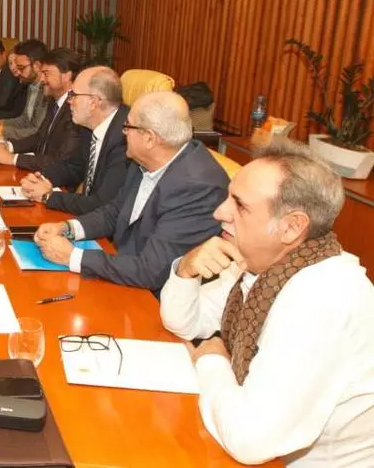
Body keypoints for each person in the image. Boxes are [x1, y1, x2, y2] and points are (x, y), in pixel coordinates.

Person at [160, 141, 374, 466]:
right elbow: (184, 322)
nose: (219, 212)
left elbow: (250, 441)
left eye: (240, 205)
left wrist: (212, 359)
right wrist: (186, 270)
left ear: (291, 227)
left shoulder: (323, 298)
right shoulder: (259, 263)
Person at [33, 91, 229, 293]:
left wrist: (71, 256)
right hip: (123, 273)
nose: (123, 132)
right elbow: (114, 211)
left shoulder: (198, 187)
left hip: (152, 298)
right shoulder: (145, 160)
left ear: (149, 138)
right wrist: (67, 228)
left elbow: (152, 270)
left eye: (127, 126)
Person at [21, 66, 130, 215]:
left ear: (93, 102)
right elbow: (75, 166)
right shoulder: (89, 126)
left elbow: (102, 204)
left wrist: (48, 196)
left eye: (73, 95)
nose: (69, 101)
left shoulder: (125, 138)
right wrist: (42, 178)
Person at [0, 48, 87, 174]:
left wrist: (12, 158)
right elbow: (39, 138)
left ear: (66, 76)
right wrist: (8, 146)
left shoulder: (75, 109)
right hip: (40, 173)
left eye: (46, 73)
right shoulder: (54, 101)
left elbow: (60, 160)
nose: (42, 79)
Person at [0, 39, 50, 140]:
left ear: (36, 66)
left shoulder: (47, 90)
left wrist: (0, 130)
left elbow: (37, 132)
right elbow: (24, 120)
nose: (17, 72)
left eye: (21, 68)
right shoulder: (31, 85)